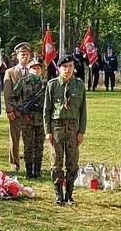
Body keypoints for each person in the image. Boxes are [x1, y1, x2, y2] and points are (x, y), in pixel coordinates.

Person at [44, 57, 86, 206]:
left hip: (73, 127)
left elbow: (83, 110)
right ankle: (58, 194)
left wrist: (82, 131)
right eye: (64, 67)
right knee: (56, 162)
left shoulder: (79, 85)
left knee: (72, 162)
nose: (67, 70)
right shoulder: (52, 84)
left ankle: (69, 194)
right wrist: (47, 130)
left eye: (70, 66)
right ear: (59, 69)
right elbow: (47, 110)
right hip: (57, 126)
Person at [11, 58, 47, 178]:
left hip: (41, 118)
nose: (36, 70)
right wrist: (21, 109)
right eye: (33, 68)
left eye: (38, 68)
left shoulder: (45, 84)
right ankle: (29, 171)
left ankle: (37, 170)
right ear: (29, 69)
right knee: (28, 146)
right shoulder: (23, 82)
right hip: (27, 118)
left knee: (39, 145)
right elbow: (13, 98)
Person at [2, 43, 32, 172]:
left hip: (31, 113)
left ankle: (31, 163)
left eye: (27, 54)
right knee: (14, 139)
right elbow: (8, 93)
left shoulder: (35, 70)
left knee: (31, 139)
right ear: (17, 56)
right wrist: (9, 109)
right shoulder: (10, 72)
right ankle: (14, 163)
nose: (25, 57)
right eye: (22, 54)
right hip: (16, 111)